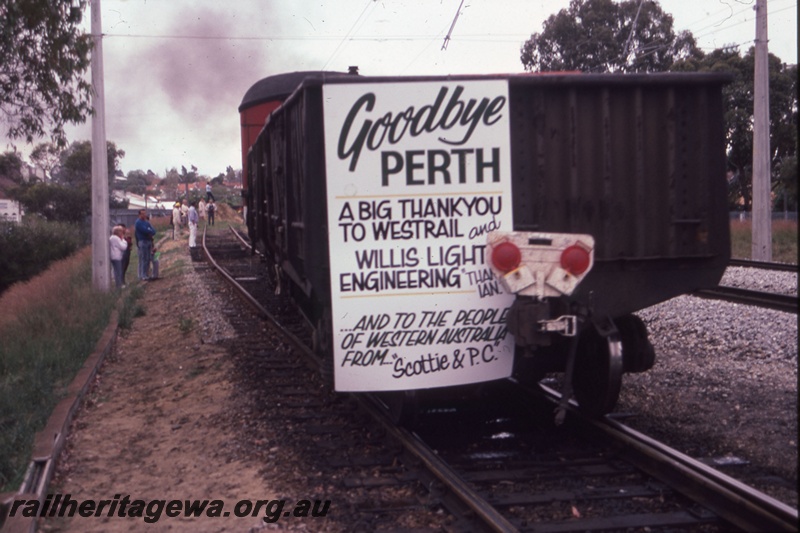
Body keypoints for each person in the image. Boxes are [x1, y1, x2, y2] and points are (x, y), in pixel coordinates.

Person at [134, 209, 157, 281]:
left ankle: (146, 274)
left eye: (144, 213)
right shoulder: (138, 223)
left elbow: (154, 231)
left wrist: (149, 231)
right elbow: (145, 231)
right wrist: (149, 230)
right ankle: (142, 275)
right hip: (143, 242)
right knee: (144, 258)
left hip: (149, 241)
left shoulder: (147, 222)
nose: (144, 215)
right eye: (142, 214)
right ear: (139, 215)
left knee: (148, 259)